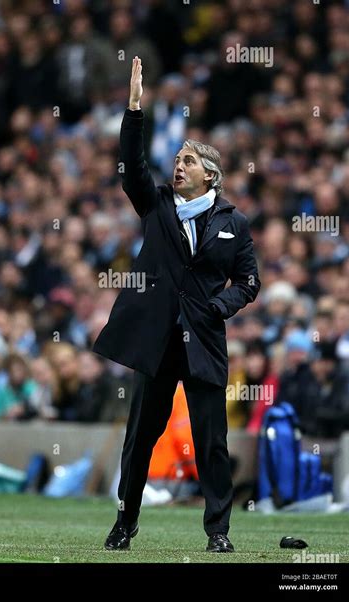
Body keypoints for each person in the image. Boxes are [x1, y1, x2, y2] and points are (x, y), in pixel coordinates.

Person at [93, 57, 260, 553]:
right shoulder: (157, 203)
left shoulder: (236, 222)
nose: (178, 166)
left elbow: (249, 281)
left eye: (188, 161)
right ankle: (125, 524)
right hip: (158, 340)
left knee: (212, 443)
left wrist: (217, 306)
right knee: (139, 439)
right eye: (178, 160)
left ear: (210, 175)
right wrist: (134, 109)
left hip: (204, 341)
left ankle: (219, 533)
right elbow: (130, 168)